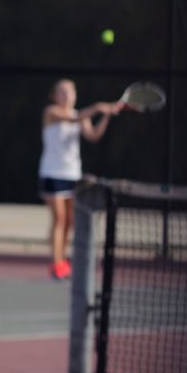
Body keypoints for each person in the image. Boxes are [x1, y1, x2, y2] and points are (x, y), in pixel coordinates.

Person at [38, 79, 123, 280]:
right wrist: (97, 107)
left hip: (72, 174)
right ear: (54, 96)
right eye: (61, 92)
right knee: (58, 219)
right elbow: (73, 119)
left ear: (75, 95)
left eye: (69, 91)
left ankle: (63, 260)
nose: (66, 95)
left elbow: (93, 136)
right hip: (52, 174)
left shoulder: (80, 116)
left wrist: (106, 116)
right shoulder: (51, 112)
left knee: (69, 221)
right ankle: (56, 263)